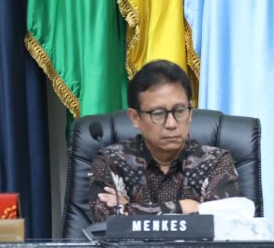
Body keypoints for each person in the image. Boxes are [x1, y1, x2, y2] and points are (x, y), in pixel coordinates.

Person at [89, 60, 240, 222]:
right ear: (135, 117)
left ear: (190, 112)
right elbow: (107, 221)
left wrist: (129, 209)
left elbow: (221, 222)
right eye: (158, 113)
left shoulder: (215, 162)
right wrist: (184, 207)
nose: (171, 124)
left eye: (180, 111)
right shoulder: (111, 161)